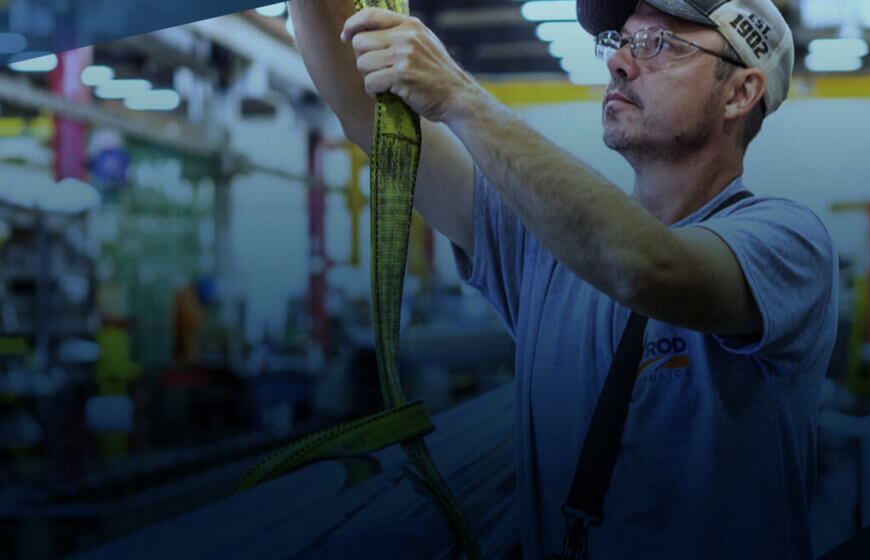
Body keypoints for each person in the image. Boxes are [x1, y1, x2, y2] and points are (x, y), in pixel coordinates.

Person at [288, 0, 838, 558]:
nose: (620, 62)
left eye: (660, 44)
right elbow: (369, 115)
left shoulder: (788, 244)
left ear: (740, 93)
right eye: (620, 42)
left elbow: (648, 267)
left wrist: (460, 96)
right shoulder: (546, 243)